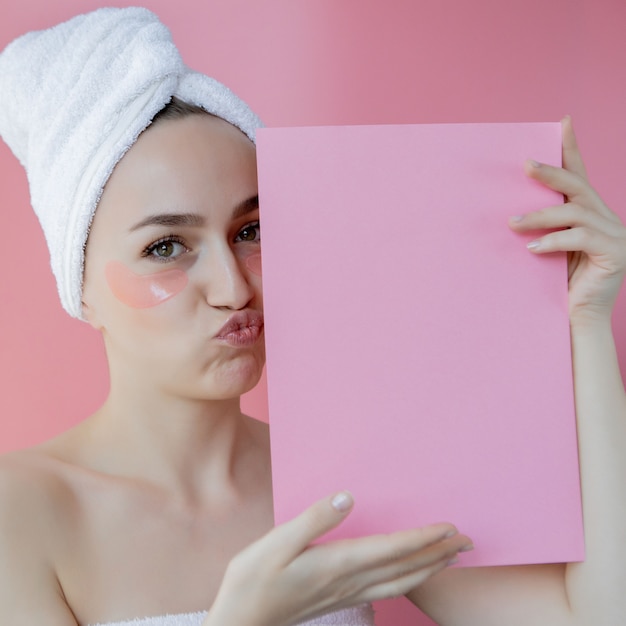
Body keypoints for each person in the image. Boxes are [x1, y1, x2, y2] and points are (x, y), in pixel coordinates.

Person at [0, 7, 624, 626]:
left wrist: (587, 321)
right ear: (79, 288)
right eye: (166, 247)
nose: (232, 286)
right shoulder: (21, 512)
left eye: (251, 230)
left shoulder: (343, 478)